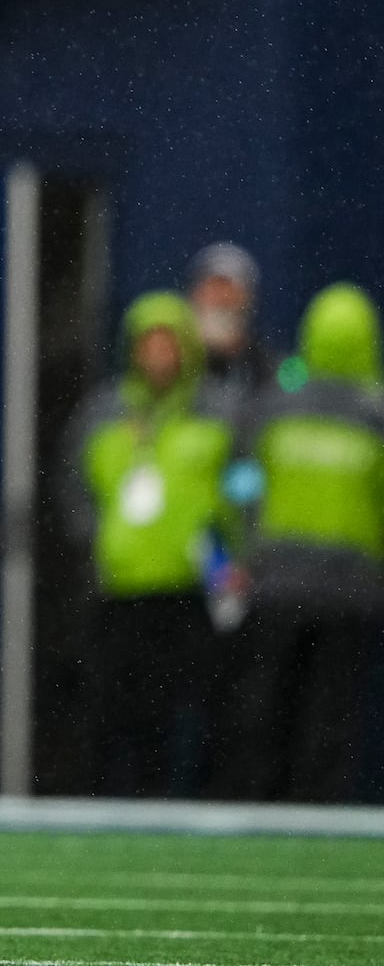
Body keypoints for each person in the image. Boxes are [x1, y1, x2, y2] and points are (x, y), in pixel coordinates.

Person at [58, 290, 239, 797]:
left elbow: (241, 489)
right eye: (149, 344)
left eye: (169, 344)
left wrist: (233, 555)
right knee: (113, 710)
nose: (159, 356)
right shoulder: (104, 413)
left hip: (187, 592)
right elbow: (72, 483)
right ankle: (106, 805)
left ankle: (178, 806)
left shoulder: (216, 414)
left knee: (184, 713)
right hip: (118, 591)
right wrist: (97, 540)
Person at [212, 283, 384, 802]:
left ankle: (263, 822)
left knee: (267, 713)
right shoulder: (375, 415)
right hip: (350, 594)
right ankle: (317, 821)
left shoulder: (272, 405)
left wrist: (238, 558)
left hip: (275, 587)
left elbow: (238, 487)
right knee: (330, 720)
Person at [188, 242, 278, 406]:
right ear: (195, 295)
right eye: (212, 288)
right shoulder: (174, 363)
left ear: (249, 300)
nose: (221, 299)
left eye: (229, 289)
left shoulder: (267, 368)